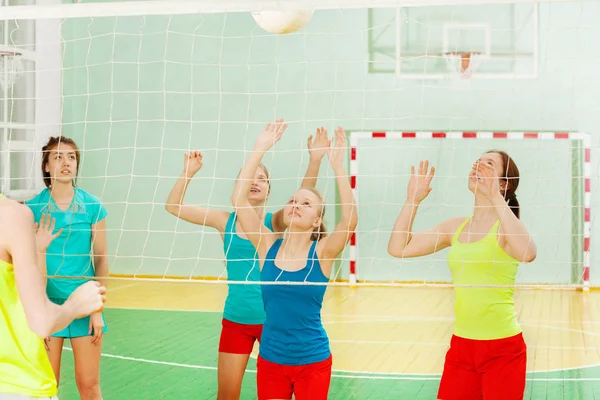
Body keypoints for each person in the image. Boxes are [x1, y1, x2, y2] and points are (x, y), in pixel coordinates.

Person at [165, 128, 330, 400]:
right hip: (236, 320)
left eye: (262, 179)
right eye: (249, 177)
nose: (255, 181)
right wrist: (188, 172)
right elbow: (173, 206)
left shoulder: (275, 223)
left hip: (273, 324)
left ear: (269, 190)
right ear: (239, 187)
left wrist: (315, 161)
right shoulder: (224, 221)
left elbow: (303, 198)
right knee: (227, 395)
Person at [387, 152, 537, 400]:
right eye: (478, 161)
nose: (478, 165)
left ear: (504, 183)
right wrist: (412, 200)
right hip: (462, 347)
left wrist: (495, 197)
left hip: (503, 349)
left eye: (489, 164)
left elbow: (528, 253)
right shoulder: (455, 227)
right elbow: (398, 247)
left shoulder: (506, 230)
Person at [231, 119, 358, 400]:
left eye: (305, 203)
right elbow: (239, 201)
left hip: (312, 361)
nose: (295, 205)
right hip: (271, 360)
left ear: (317, 221)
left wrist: (338, 167)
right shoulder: (266, 245)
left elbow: (350, 221)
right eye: (291, 201)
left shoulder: (322, 254)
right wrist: (259, 149)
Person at [26, 136, 109, 400]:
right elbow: (28, 266)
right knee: (47, 387)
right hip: (49, 308)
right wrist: (38, 313)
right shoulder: (32, 209)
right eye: (58, 157)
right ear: (46, 166)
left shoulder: (92, 205)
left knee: (89, 386)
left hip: (85, 305)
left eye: (71, 157)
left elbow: (102, 258)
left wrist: (97, 308)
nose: (66, 163)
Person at [0, 194, 106, 400]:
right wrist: (76, 304)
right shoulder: (13, 215)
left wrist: (38, 251)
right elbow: (42, 322)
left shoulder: (91, 206)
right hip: (17, 384)